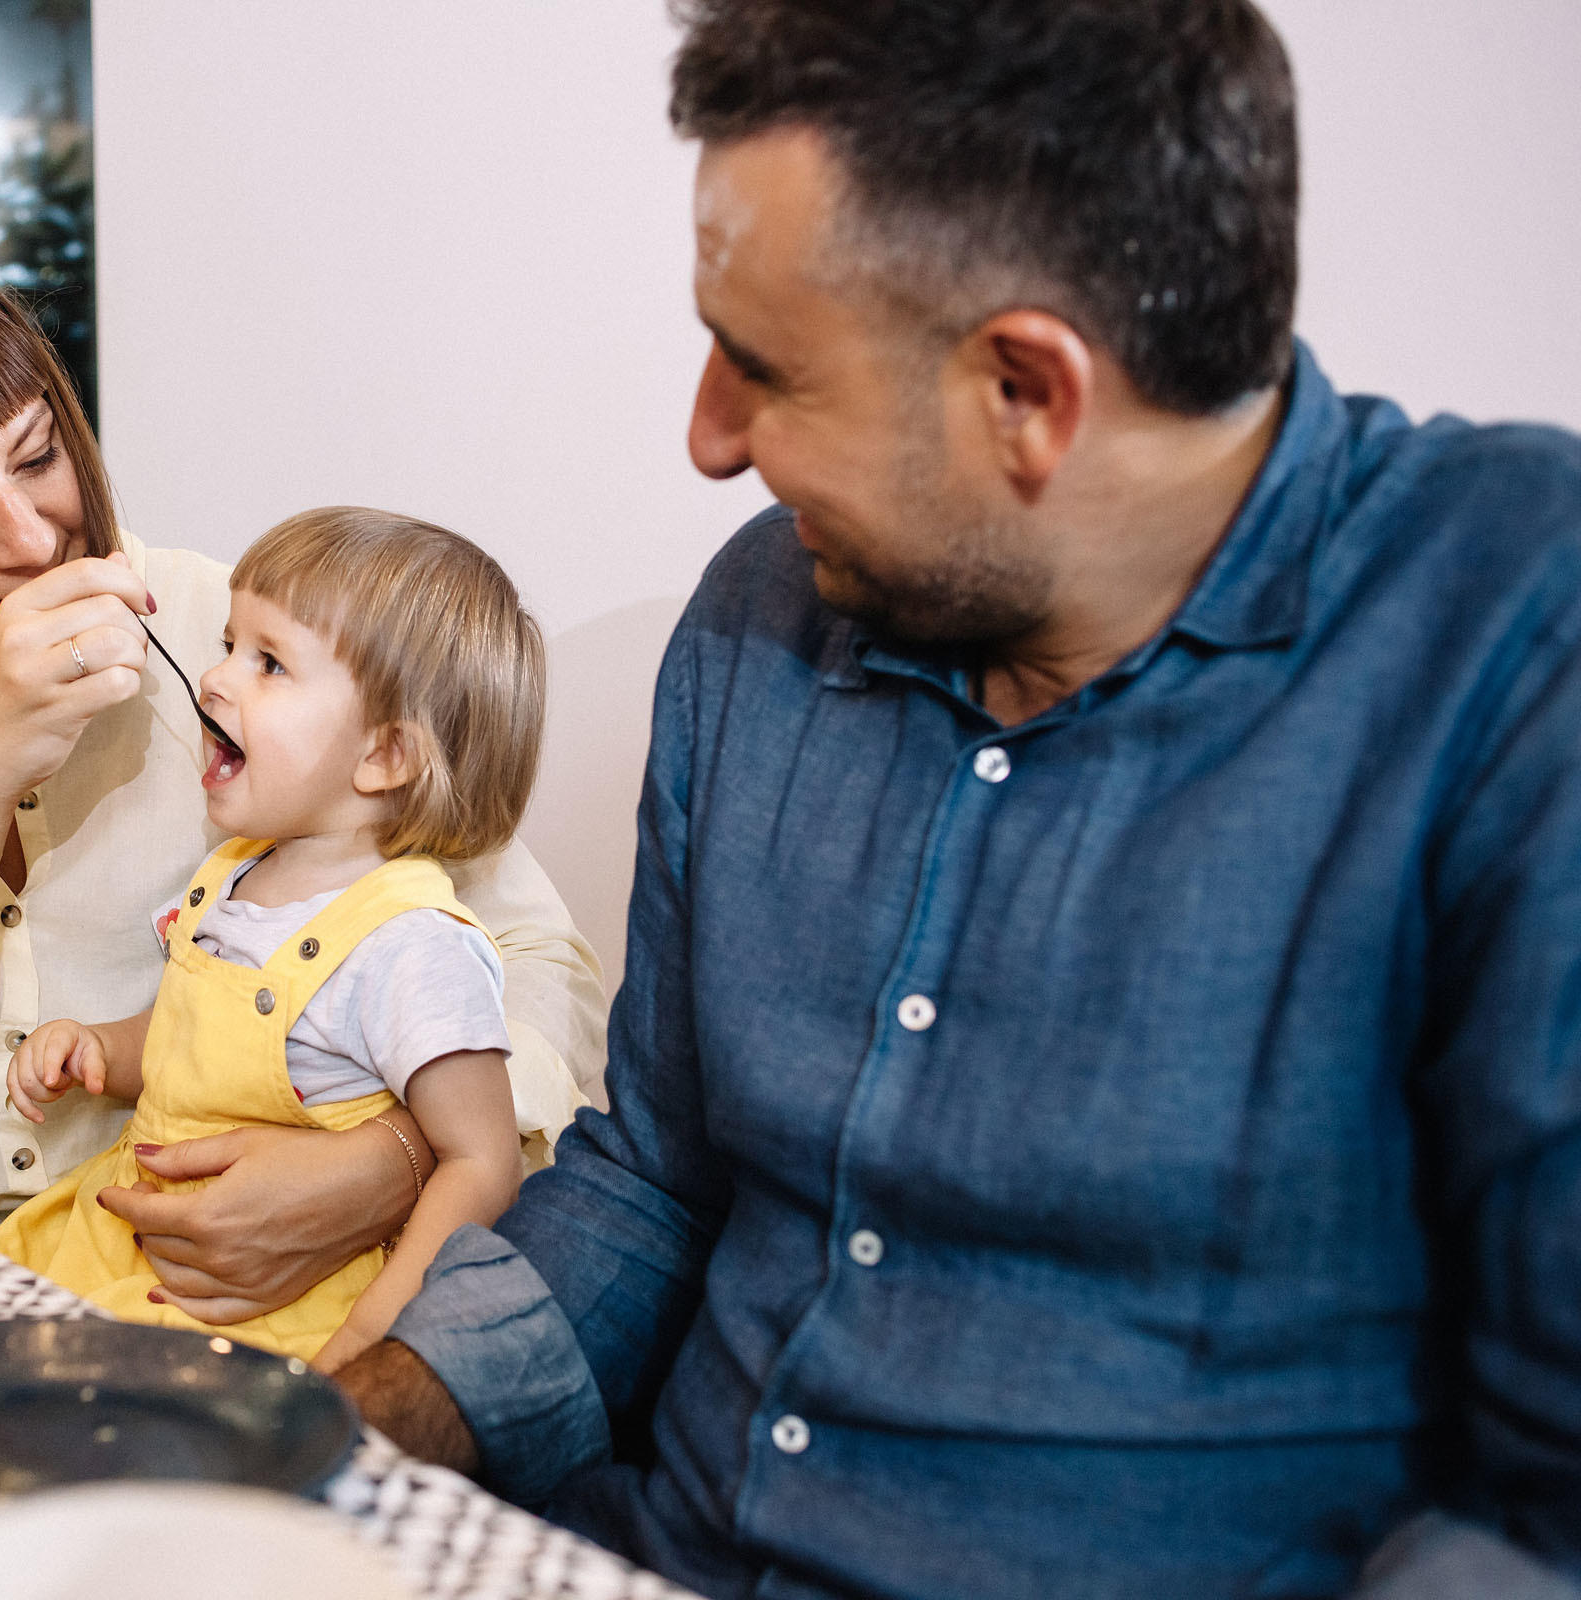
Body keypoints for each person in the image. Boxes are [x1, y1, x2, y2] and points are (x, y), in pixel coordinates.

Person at [337, 3, 1581, 1597]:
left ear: (1029, 391)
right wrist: (330, 1443)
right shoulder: (761, 614)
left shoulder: (1509, 638)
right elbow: (651, 1184)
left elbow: (1544, 1518)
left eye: (766, 369)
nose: (709, 439)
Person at [0, 244, 607, 1313]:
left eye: (39, 457)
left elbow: (535, 962)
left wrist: (394, 1160)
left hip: (219, 1272)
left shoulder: (222, 640)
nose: (33, 536)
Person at [0, 508, 538, 1370]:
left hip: (272, 1313)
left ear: (386, 756)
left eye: (270, 663)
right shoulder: (234, 873)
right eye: (227, 644)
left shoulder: (410, 943)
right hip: (122, 1253)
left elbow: (482, 1160)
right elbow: (186, 1038)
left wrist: (370, 1342)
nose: (212, 679)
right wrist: (100, 1047)